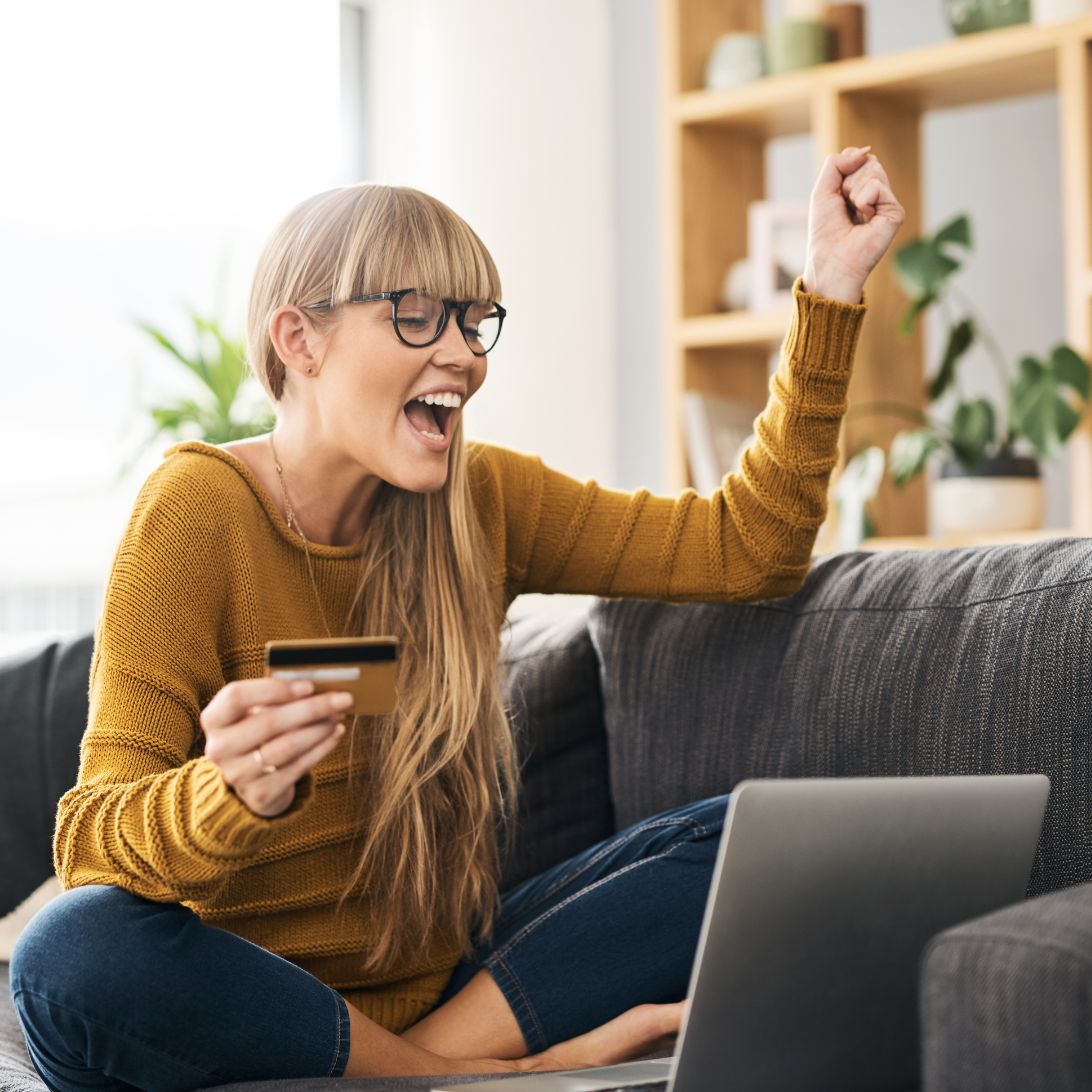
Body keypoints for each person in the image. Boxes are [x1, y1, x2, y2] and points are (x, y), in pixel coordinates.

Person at [10, 146, 903, 1089]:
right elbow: (93, 841)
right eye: (419, 315)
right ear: (298, 340)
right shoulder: (195, 513)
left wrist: (831, 289)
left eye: (477, 323)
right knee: (72, 953)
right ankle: (469, 1077)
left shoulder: (482, 500)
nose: (464, 355)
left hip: (446, 992)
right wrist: (226, 793)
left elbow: (746, 546)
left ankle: (428, 1065)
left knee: (759, 842)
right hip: (239, 1004)